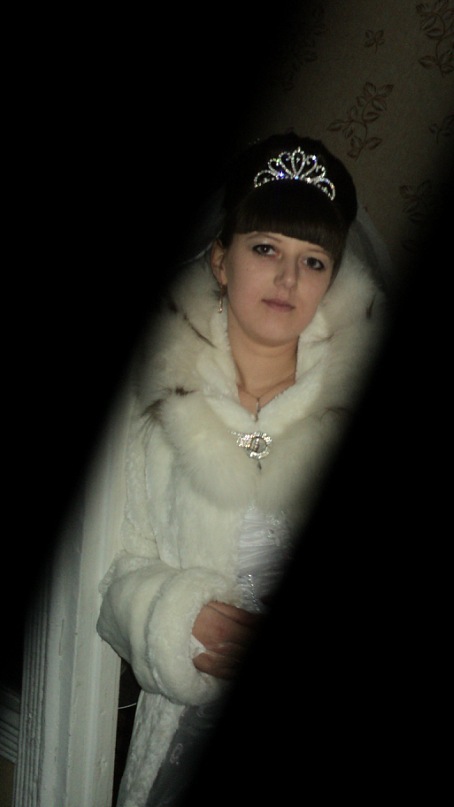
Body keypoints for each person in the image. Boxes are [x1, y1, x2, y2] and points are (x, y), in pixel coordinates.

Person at [96, 132, 387, 807]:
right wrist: (179, 619)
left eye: (313, 260)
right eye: (266, 249)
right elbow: (114, 570)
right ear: (221, 260)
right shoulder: (151, 408)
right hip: (181, 735)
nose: (289, 279)